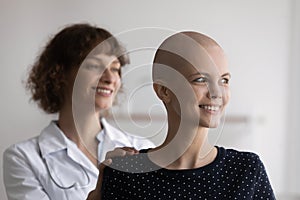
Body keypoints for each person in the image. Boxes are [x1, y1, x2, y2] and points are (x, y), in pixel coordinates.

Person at [90, 31, 276, 199]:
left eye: (224, 80)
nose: (216, 92)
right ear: (164, 91)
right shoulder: (125, 174)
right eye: (201, 80)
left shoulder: (247, 171)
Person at [3, 23, 155, 200]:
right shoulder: (23, 158)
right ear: (59, 74)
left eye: (115, 68)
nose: (110, 78)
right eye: (94, 66)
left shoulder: (143, 148)